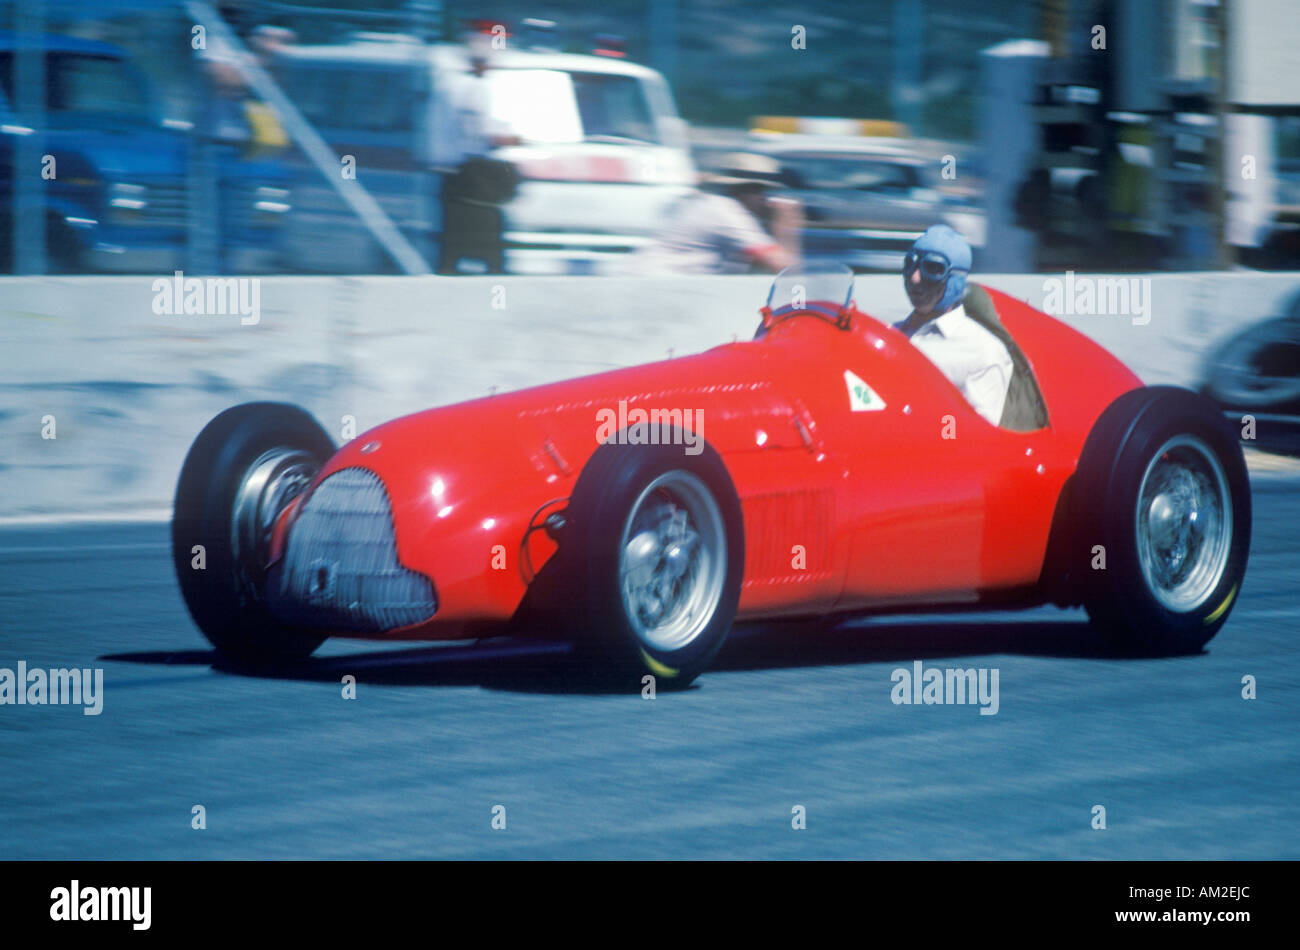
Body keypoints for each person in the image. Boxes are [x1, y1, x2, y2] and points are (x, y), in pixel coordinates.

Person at [894, 225, 1014, 427]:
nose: (915, 278)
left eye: (932, 269)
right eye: (911, 265)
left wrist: (927, 426)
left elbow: (977, 437)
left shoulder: (983, 351)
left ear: (956, 280)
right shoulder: (891, 334)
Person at [433, 36, 520, 274]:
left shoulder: (446, 85)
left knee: (451, 241)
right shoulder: (475, 88)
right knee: (487, 237)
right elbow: (482, 133)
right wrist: (516, 139)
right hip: (472, 175)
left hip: (449, 175)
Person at [634, 152, 800, 274]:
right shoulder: (727, 211)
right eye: (763, 192)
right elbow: (783, 269)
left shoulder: (705, 202)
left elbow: (754, 268)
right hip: (659, 284)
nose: (766, 200)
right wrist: (785, 224)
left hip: (647, 278)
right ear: (747, 190)